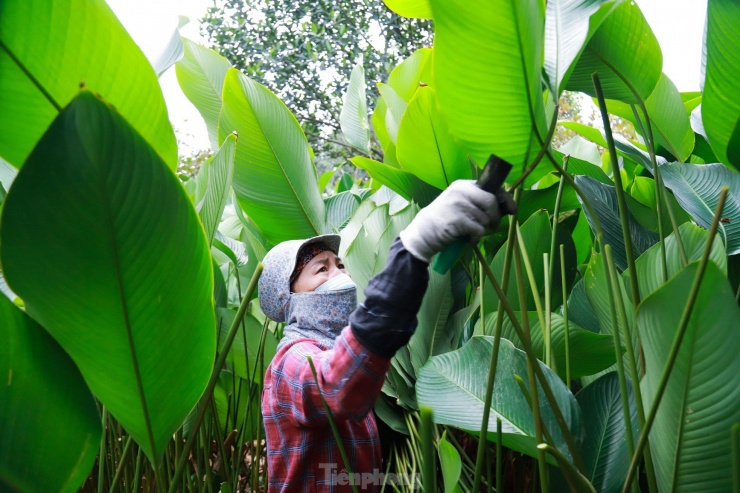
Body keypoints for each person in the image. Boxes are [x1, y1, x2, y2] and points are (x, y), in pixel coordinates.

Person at [259, 180, 516, 492]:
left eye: (340, 264)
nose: (340, 274)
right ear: (289, 298)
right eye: (321, 269)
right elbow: (335, 384)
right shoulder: (293, 360)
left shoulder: (337, 347)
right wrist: (412, 249)